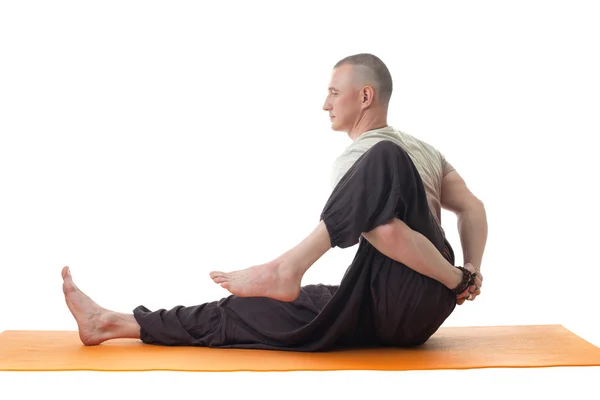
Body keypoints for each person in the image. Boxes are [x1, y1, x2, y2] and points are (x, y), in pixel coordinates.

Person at [61, 53, 487, 351]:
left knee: (384, 158)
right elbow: (472, 208)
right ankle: (114, 323)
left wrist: (454, 279)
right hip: (391, 308)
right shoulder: (424, 150)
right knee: (245, 308)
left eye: (334, 92)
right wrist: (471, 269)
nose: (325, 104)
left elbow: (390, 233)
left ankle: (288, 267)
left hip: (417, 294)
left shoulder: (371, 156)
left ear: (365, 97)